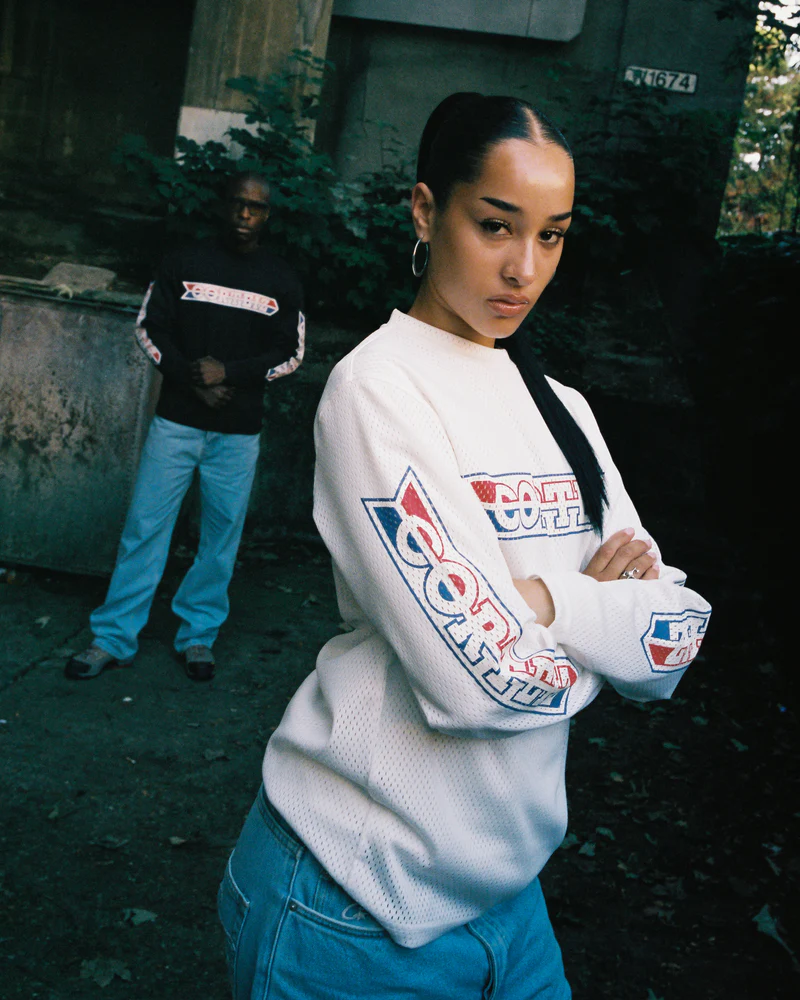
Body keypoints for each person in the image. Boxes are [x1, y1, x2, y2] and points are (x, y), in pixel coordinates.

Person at [217, 95, 711, 998]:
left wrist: (539, 606)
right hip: (351, 904)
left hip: (512, 904)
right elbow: (478, 685)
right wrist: (601, 622)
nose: (524, 268)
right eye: (495, 225)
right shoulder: (378, 390)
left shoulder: (565, 410)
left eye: (552, 236)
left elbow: (677, 639)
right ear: (424, 210)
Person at [65, 172, 305, 683]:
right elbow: (150, 328)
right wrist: (193, 380)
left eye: (257, 208)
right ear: (223, 206)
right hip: (176, 422)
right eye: (238, 204)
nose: (245, 215)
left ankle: (198, 635)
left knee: (220, 538)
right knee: (144, 529)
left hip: (238, 433)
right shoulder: (184, 262)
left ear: (268, 215)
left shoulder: (280, 278)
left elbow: (290, 353)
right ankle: (113, 638)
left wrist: (228, 373)